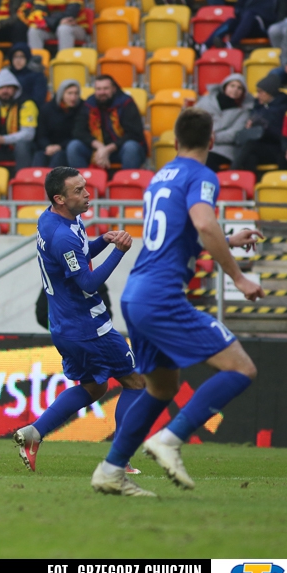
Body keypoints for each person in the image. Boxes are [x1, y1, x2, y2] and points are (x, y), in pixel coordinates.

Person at [92, 108, 264, 497]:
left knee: (161, 388)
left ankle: (111, 470)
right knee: (241, 368)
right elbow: (203, 223)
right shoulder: (201, 175)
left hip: (136, 293)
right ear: (212, 140)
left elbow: (177, 234)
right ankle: (170, 439)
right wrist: (238, 276)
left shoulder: (160, 176)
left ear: (174, 140)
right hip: (161, 297)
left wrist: (228, 240)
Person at [13, 166, 147, 473]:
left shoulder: (51, 219)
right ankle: (119, 461)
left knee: (94, 388)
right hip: (88, 327)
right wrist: (119, 251)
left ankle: (34, 433)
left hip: (64, 327)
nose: (87, 194)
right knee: (135, 382)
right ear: (59, 198)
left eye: (85, 187)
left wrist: (102, 241)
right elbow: (87, 282)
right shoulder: (62, 236)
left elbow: (76, 255)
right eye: (78, 191)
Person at [67, 75, 146, 171]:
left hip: (120, 149)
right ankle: (81, 179)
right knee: (74, 146)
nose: (102, 92)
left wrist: (108, 149)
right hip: (97, 149)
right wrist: (99, 147)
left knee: (131, 147)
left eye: (106, 88)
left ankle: (127, 180)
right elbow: (78, 131)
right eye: (98, 89)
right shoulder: (89, 104)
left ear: (114, 89)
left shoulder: (126, 103)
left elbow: (134, 134)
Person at [233, 72, 287, 171]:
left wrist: (262, 127)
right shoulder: (258, 107)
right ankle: (249, 180)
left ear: (270, 92)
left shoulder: (283, 108)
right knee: (249, 157)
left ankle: (231, 171)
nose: (258, 95)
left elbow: (280, 133)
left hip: (276, 147)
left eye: (260, 92)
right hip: (260, 146)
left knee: (250, 145)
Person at [196, 74, 252, 170]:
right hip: (200, 144)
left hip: (223, 150)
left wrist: (213, 136)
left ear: (243, 92)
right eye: (232, 86)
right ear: (225, 86)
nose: (235, 90)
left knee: (206, 161)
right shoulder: (206, 101)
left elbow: (234, 133)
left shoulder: (243, 111)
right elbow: (193, 119)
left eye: (239, 88)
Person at [34, 79, 82, 168]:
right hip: (48, 147)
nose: (73, 97)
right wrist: (47, 146)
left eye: (76, 93)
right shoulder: (47, 109)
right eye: (69, 93)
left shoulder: (82, 108)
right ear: (61, 94)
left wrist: (60, 146)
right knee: (39, 156)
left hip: (67, 148)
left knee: (59, 156)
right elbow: (41, 134)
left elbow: (78, 134)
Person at [6, 42, 48, 108]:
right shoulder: (6, 74)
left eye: (22, 57)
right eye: (15, 57)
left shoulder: (37, 76)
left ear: (27, 58)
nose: (18, 60)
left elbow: (38, 99)